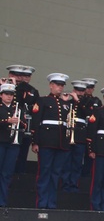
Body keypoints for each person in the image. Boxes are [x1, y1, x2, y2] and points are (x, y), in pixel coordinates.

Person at [31, 73, 73, 209]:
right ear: (51, 85)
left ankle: (52, 203)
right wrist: (35, 141)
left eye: (61, 85)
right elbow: (36, 122)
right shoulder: (42, 101)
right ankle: (42, 203)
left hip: (61, 143)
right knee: (44, 172)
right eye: (57, 85)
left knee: (56, 174)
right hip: (46, 142)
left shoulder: (65, 104)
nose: (59, 88)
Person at [0, 81, 23, 206]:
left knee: (7, 174)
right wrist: (7, 121)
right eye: (6, 94)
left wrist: (19, 121)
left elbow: (24, 124)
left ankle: (2, 201)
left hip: (12, 144)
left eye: (11, 94)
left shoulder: (17, 109)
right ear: (1, 95)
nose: (9, 96)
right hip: (1, 142)